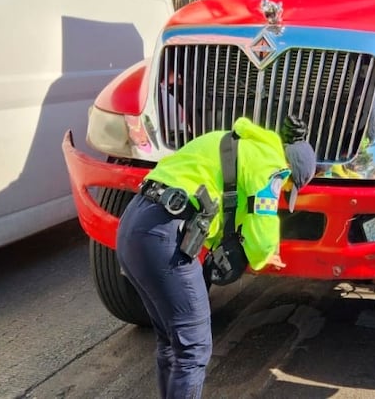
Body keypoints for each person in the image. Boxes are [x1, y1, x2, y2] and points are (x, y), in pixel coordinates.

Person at [115, 116, 317, 399]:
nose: (283, 191)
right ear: (289, 171)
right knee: (193, 348)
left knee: (171, 342)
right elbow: (262, 229)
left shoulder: (230, 142)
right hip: (163, 236)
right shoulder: (272, 166)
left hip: (134, 224)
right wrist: (264, 255)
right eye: (287, 188)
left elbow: (221, 209)